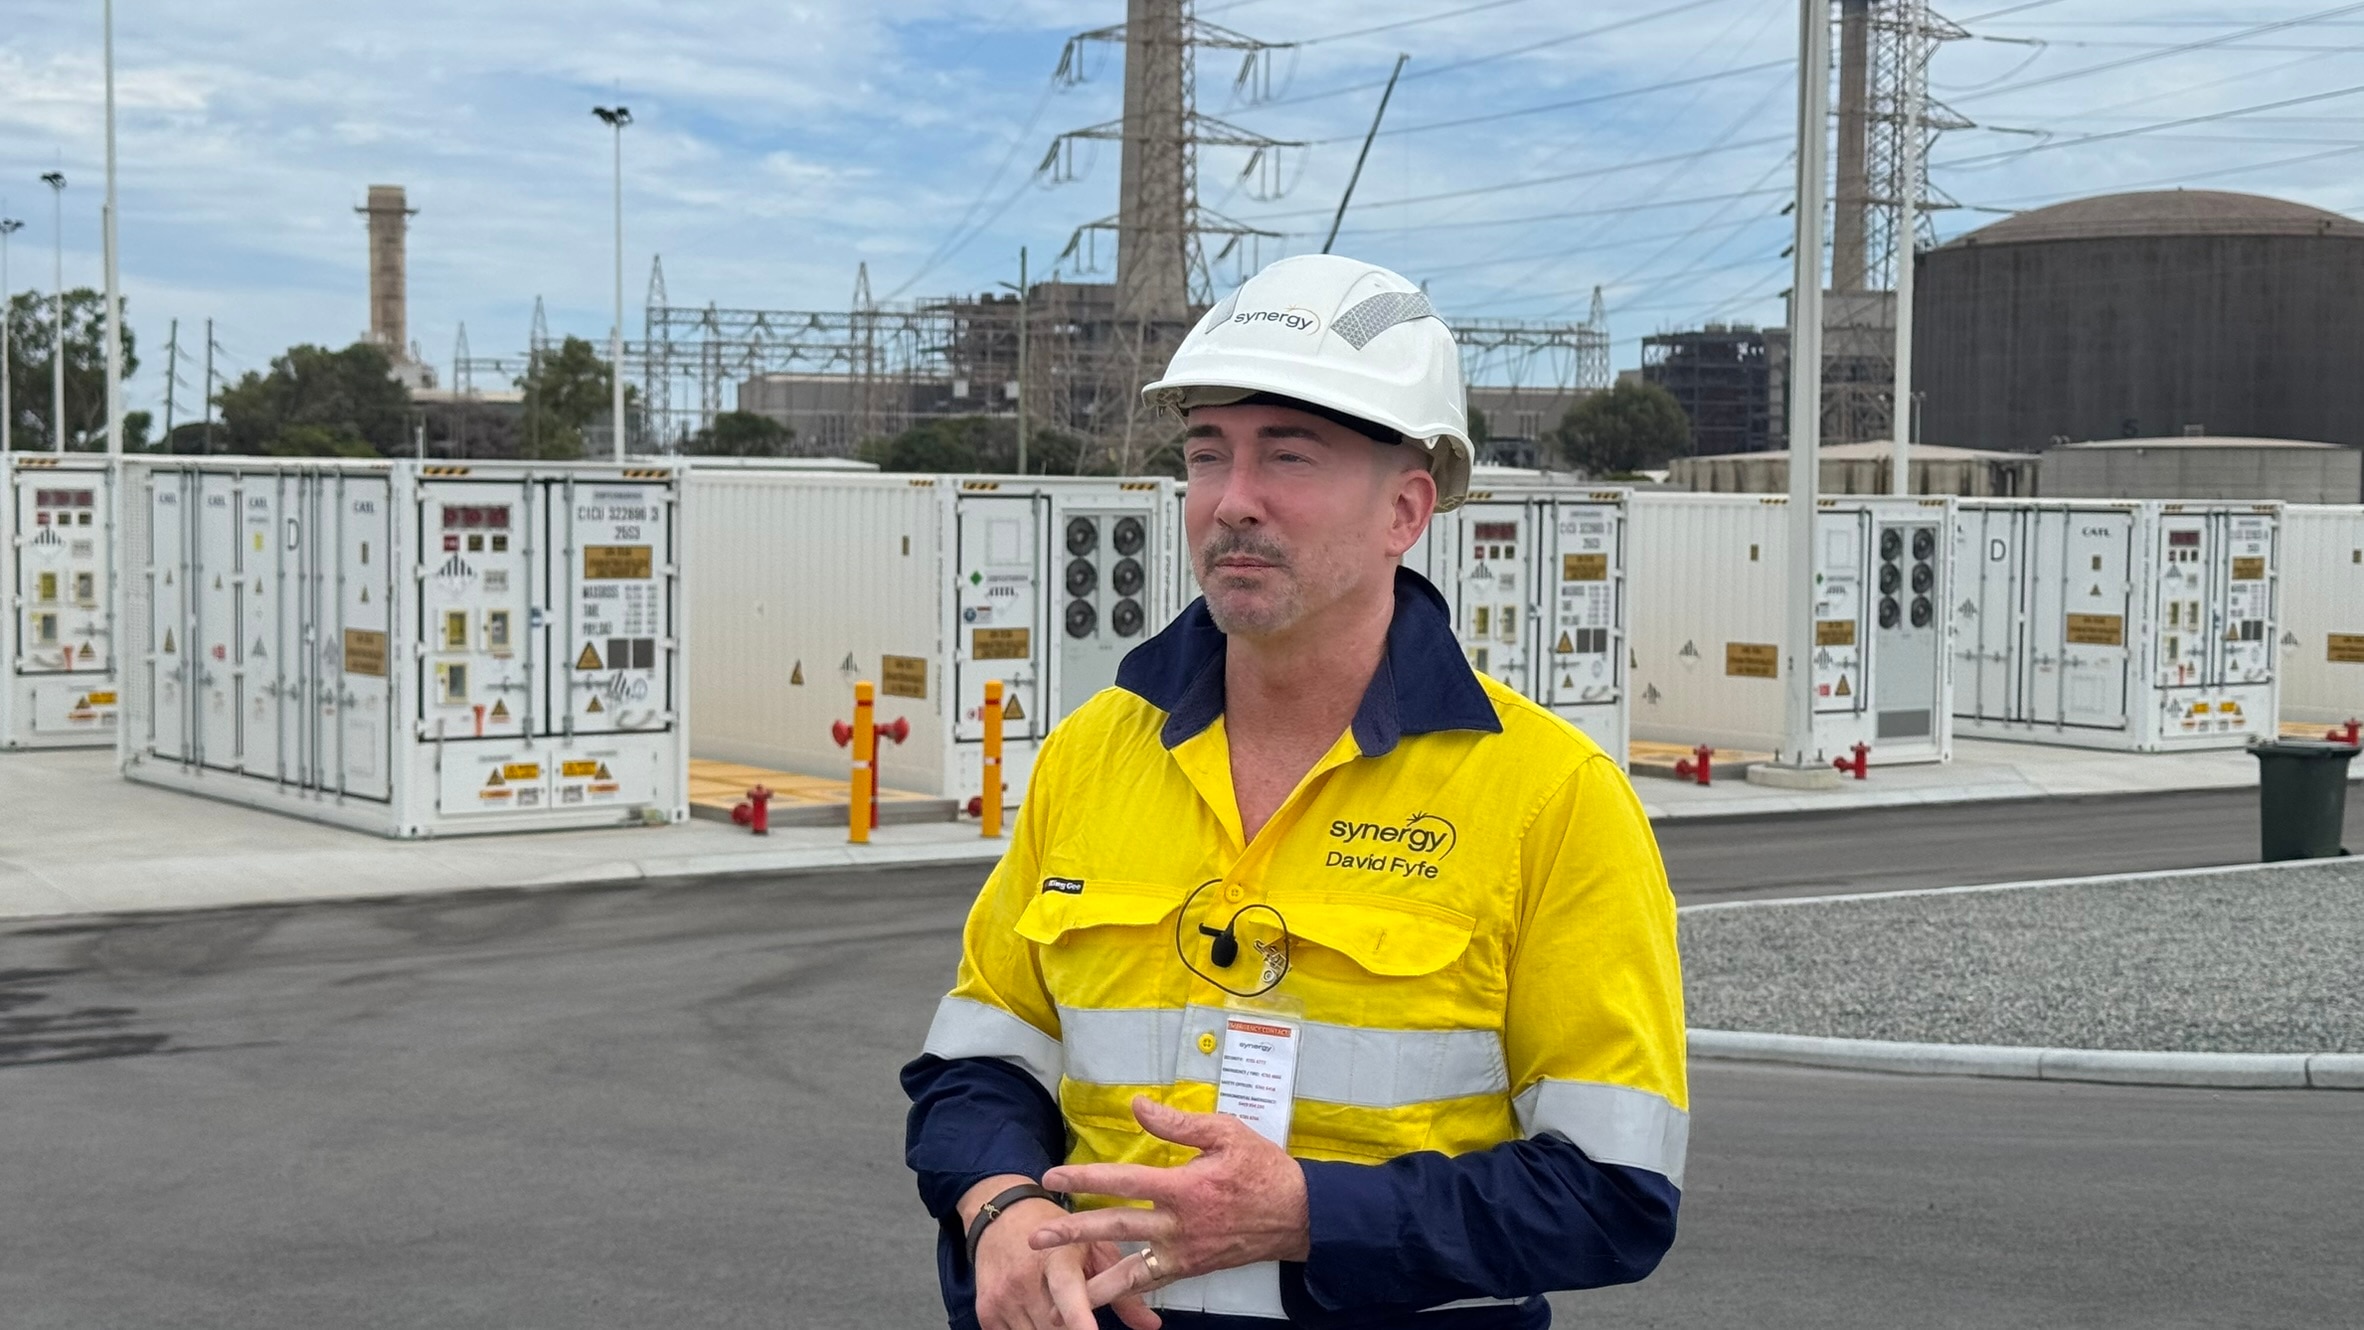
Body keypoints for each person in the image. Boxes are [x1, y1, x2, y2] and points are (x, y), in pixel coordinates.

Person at [902, 254, 1687, 1330]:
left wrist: (1310, 1212)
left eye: (1290, 456)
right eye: (1207, 453)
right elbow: (981, 1062)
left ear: (1405, 507)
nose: (1233, 500)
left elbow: (1613, 1195)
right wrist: (996, 1206)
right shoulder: (1094, 752)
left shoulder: (1551, 797)